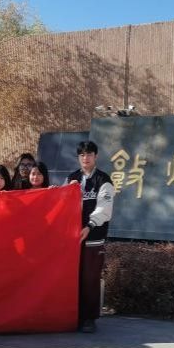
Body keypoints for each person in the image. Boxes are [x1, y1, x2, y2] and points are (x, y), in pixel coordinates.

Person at [65, 141, 114, 333]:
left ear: (96, 156)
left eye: (89, 154)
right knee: (73, 278)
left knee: (90, 279)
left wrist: (89, 226)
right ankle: (74, 314)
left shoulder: (103, 180)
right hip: (73, 239)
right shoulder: (72, 178)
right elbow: (63, 203)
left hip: (94, 238)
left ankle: (89, 318)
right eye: (82, 155)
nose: (85, 158)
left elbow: (104, 209)